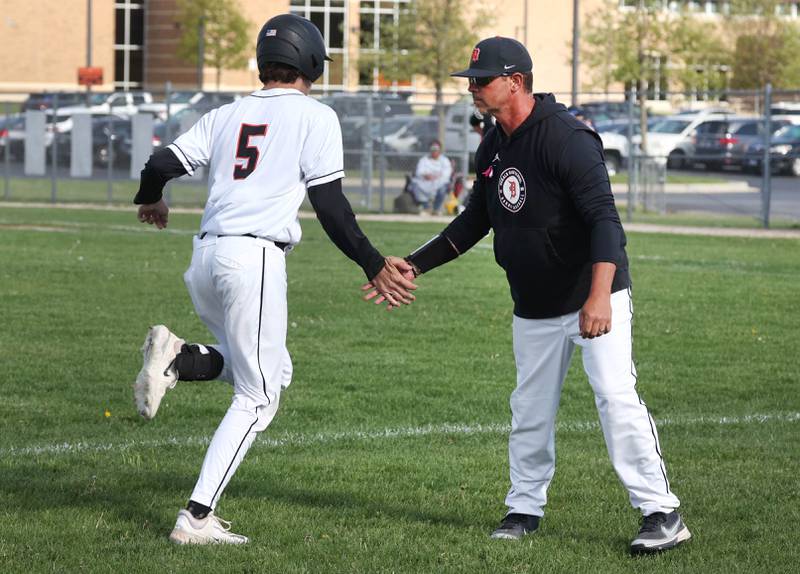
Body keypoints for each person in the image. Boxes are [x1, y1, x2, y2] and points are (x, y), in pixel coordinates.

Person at [366, 36, 690, 555]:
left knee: (615, 398)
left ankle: (661, 512)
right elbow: (475, 219)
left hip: (592, 293)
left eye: (482, 79)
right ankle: (524, 508)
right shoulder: (493, 144)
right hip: (534, 304)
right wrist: (415, 264)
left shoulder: (567, 138)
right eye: (471, 80)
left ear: (515, 82)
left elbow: (606, 222)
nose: (473, 88)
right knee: (530, 409)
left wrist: (600, 296)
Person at [133, 13, 416, 545]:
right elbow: (331, 207)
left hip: (207, 257)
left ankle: (179, 358)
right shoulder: (315, 116)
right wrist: (374, 263)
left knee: (270, 372)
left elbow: (160, 161)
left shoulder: (226, 113)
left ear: (266, 62)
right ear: (309, 61)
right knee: (259, 398)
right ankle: (195, 518)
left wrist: (151, 198)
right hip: (253, 260)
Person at [407, 140, 452, 214]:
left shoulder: (445, 160)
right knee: (415, 184)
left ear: (439, 150)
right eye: (432, 150)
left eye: (436, 150)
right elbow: (419, 172)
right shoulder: (424, 160)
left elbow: (446, 174)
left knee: (443, 188)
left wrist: (436, 177)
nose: (434, 152)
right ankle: (426, 208)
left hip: (439, 182)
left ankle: (436, 209)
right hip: (425, 182)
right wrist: (426, 175)